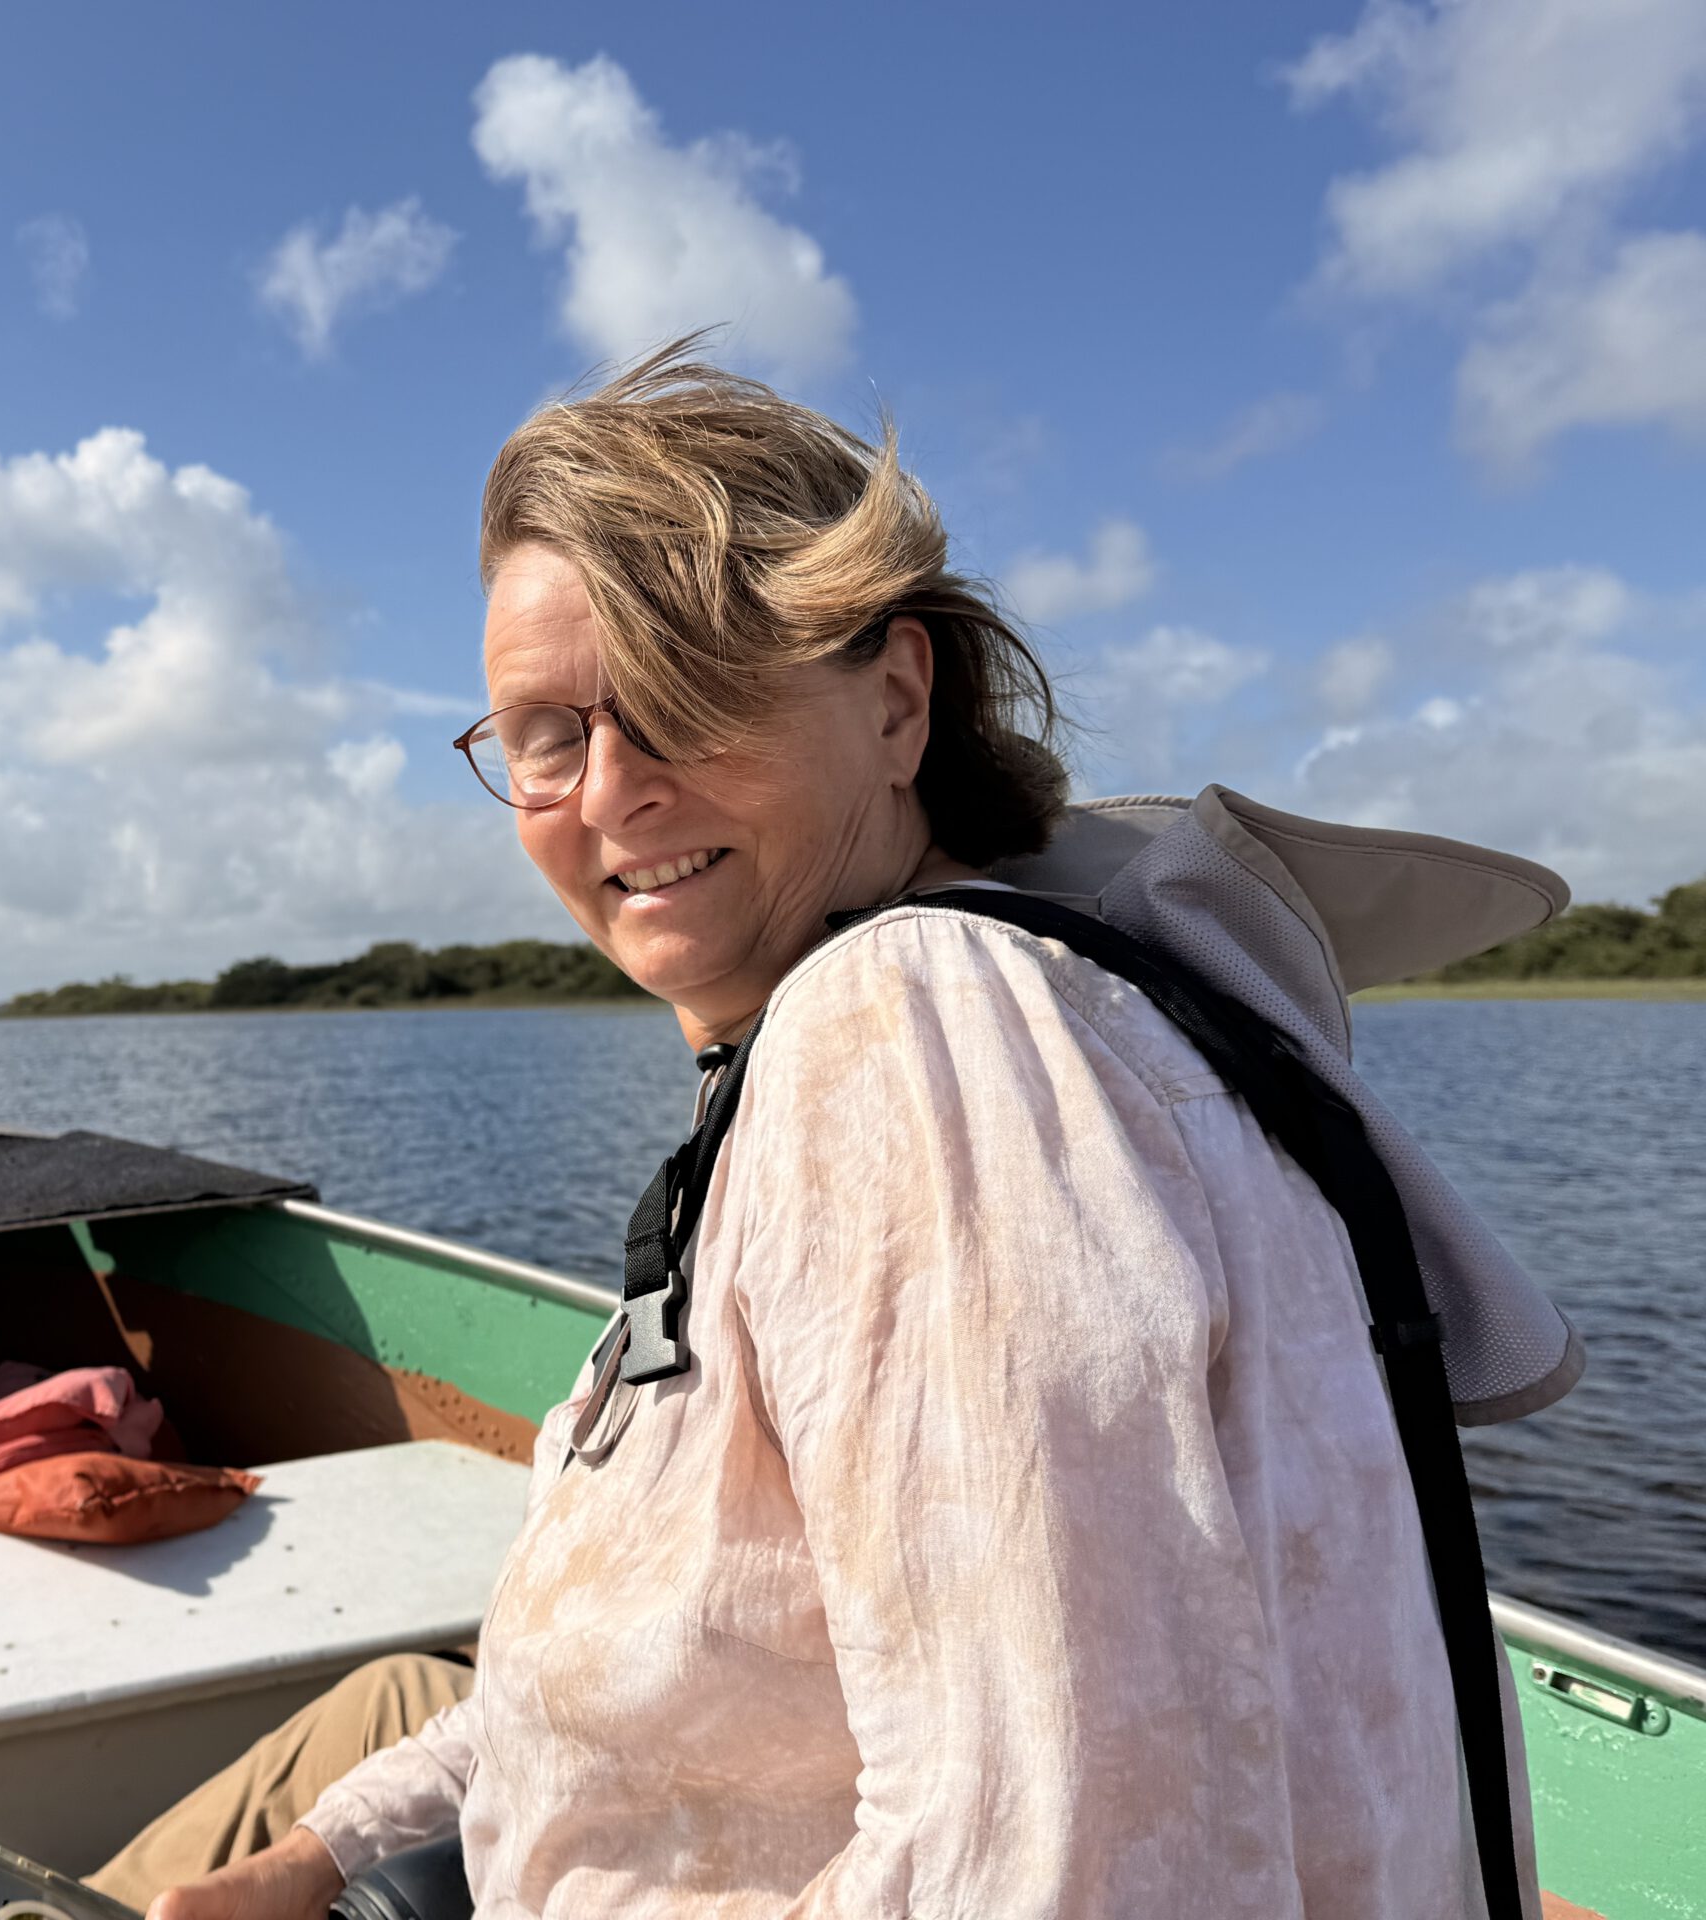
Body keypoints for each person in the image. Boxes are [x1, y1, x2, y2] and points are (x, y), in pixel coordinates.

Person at [89, 343, 1538, 1920]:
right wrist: (319, 1856)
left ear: (898, 700)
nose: (612, 790)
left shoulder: (918, 1034)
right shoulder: (911, 1031)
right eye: (546, 733)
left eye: (685, 691)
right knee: (347, 1740)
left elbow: (1068, 1859)